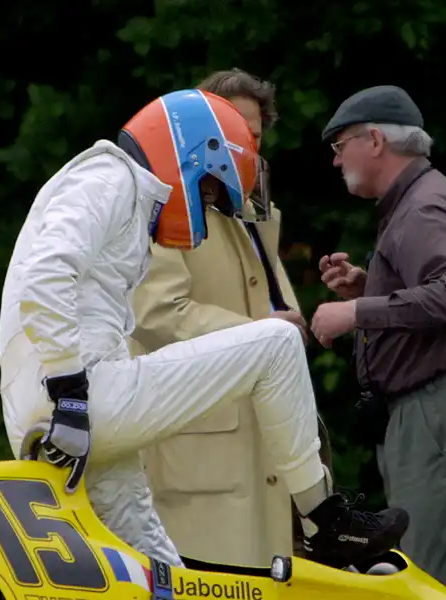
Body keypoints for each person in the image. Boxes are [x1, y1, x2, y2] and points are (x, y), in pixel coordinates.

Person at [0, 87, 409, 570]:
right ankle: (325, 518)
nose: (206, 202)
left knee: (155, 570)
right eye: (207, 188)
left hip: (66, 411)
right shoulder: (106, 176)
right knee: (275, 344)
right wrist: (69, 391)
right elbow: (47, 275)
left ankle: (319, 523)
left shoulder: (121, 194)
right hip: (77, 397)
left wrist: (68, 397)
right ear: (190, 153)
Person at [311, 85, 446, 600]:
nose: (336, 161)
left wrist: (354, 311)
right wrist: (367, 286)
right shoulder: (424, 201)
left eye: (340, 146)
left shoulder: (424, 207)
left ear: (374, 139)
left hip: (440, 411)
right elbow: (437, 296)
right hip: (441, 411)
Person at [130, 69, 332, 567]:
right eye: (233, 131)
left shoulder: (250, 215)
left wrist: (287, 326)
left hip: (264, 450)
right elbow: (158, 315)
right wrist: (265, 334)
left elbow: (280, 316)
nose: (245, 144)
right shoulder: (166, 207)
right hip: (203, 461)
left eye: (255, 135)